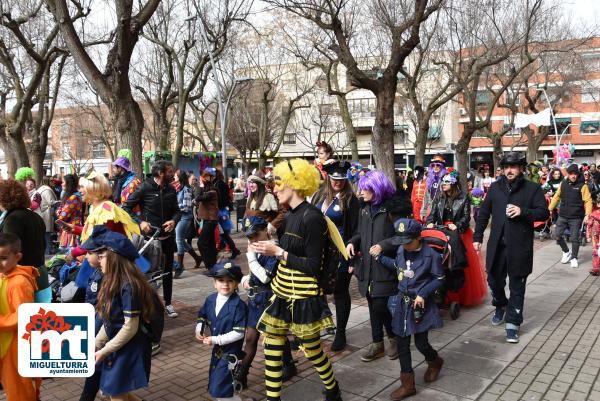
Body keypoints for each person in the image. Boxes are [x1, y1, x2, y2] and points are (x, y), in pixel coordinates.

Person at [251, 158, 342, 401]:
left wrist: (279, 252)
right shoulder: (288, 215)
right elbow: (287, 249)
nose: (275, 188)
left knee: (312, 350)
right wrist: (270, 245)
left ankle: (332, 389)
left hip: (304, 294)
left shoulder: (312, 218)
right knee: (271, 344)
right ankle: (273, 398)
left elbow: (313, 266)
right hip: (282, 290)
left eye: (279, 183)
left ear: (295, 184)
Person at [473, 151, 549, 343]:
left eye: (513, 166)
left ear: (521, 168)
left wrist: (523, 212)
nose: (509, 170)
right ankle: (500, 305)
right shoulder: (496, 188)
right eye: (506, 167)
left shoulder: (532, 189)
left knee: (517, 287)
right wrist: (478, 236)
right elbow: (483, 213)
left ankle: (513, 324)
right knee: (494, 281)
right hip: (496, 245)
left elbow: (543, 213)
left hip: (519, 247)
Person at [82, 226, 154, 401]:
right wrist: (96, 343)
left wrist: (104, 350)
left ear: (115, 258)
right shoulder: (111, 281)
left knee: (115, 392)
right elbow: (110, 321)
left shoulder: (129, 286)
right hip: (118, 344)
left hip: (129, 346)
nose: (99, 261)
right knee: (116, 391)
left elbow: (130, 327)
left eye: (102, 256)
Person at [376, 219, 445, 400]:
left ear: (418, 238)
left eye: (408, 241)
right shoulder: (401, 250)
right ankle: (408, 385)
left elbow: (439, 279)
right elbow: (397, 267)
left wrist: (423, 293)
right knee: (402, 344)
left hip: (420, 305)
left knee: (421, 343)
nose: (404, 246)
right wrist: (379, 257)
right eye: (401, 242)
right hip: (402, 303)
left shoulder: (431, 255)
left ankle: (435, 361)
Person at [237, 216, 296, 388]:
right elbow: (254, 275)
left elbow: (265, 277)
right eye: (249, 237)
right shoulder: (256, 248)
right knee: (250, 338)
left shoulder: (275, 248)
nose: (253, 240)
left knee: (276, 335)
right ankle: (242, 374)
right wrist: (245, 281)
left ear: (265, 230)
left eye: (256, 234)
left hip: (271, 299)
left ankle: (288, 364)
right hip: (255, 299)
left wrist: (251, 257)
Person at [347, 170, 398, 362]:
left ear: (376, 189)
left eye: (365, 189)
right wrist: (353, 241)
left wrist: (383, 246)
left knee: (379, 306)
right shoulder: (364, 209)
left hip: (384, 268)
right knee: (372, 303)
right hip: (367, 268)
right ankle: (378, 343)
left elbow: (403, 237)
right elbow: (360, 232)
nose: (361, 192)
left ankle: (393, 338)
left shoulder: (392, 209)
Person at [311, 161, 360, 351]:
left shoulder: (350, 199)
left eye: (341, 179)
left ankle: (341, 332)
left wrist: (352, 243)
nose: (337, 182)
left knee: (340, 292)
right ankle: (319, 327)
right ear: (328, 178)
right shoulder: (319, 196)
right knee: (317, 291)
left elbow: (357, 229)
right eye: (334, 179)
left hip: (340, 253)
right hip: (319, 252)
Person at [123, 160, 181, 319]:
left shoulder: (171, 189)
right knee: (146, 273)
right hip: (149, 241)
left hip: (167, 239)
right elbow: (125, 208)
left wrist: (174, 221)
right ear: (160, 173)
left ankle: (168, 304)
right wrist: (140, 222)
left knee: (168, 272)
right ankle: (146, 305)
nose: (173, 173)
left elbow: (178, 211)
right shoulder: (144, 187)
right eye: (170, 171)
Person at [426, 170, 487, 306]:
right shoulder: (439, 198)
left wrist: (457, 225)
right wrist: (430, 221)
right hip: (441, 232)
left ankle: (459, 295)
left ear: (453, 184)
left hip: (458, 232)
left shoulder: (463, 197)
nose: (443, 184)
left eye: (446, 182)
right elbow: (433, 214)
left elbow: (466, 217)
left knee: (458, 261)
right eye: (443, 182)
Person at [195, 261, 250, 401]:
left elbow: (239, 333)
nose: (225, 284)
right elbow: (202, 316)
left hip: (230, 354)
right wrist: (199, 328)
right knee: (220, 385)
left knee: (221, 386)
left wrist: (215, 339)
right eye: (220, 280)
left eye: (230, 281)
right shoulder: (210, 299)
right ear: (214, 282)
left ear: (236, 283)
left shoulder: (238, 305)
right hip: (218, 352)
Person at [0, 233, 40, 401]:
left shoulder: (19, 283)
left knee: (19, 391)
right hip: (7, 342)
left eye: (2, 258)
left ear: (17, 257)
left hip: (16, 345)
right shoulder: (5, 275)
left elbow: (25, 316)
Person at [0, 179, 49, 303]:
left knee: (24, 318)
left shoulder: (13, 219)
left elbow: (8, 250)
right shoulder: (35, 216)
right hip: (40, 273)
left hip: (23, 278)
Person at [548, 163, 593, 269]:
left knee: (574, 238)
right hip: (562, 215)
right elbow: (556, 197)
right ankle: (566, 252)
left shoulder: (583, 186)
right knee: (557, 236)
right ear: (568, 174)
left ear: (577, 174)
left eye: (575, 174)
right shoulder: (563, 184)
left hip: (576, 217)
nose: (573, 176)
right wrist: (549, 209)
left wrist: (587, 214)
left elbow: (588, 200)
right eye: (571, 174)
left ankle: (574, 258)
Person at [173, 169, 203, 278]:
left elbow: (186, 206)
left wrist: (175, 208)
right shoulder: (179, 188)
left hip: (184, 217)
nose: (174, 178)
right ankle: (197, 258)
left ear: (180, 177)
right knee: (181, 240)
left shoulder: (186, 189)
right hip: (180, 217)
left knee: (178, 240)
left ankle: (180, 266)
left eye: (175, 176)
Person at [194, 168, 220, 271]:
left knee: (201, 243)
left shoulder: (212, 192)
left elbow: (198, 197)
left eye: (204, 178)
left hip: (210, 220)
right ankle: (212, 265)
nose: (202, 180)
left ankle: (209, 265)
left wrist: (199, 186)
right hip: (208, 220)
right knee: (209, 243)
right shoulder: (208, 192)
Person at [214, 169, 240, 259]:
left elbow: (220, 199)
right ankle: (232, 249)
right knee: (223, 232)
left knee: (222, 232)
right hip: (223, 210)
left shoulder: (218, 185)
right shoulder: (221, 184)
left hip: (220, 211)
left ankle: (232, 249)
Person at [56, 173, 83, 249]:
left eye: (63, 182)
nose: (61, 184)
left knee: (70, 256)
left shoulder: (73, 197)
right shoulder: (76, 196)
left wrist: (58, 210)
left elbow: (61, 216)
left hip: (71, 230)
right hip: (73, 228)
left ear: (68, 184)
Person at [35, 177, 59, 255]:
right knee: (47, 234)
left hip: (41, 213)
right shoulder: (47, 190)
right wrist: (59, 202)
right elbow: (51, 202)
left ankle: (47, 250)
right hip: (46, 213)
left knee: (45, 234)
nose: (53, 182)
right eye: (51, 181)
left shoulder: (40, 189)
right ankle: (48, 250)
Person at [420, 155, 447, 221]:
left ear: (442, 166)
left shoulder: (446, 178)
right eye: (433, 165)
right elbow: (426, 197)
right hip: (431, 210)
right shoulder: (429, 179)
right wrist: (423, 211)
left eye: (437, 165)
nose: (435, 167)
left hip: (443, 211)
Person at [587, 195, 600, 276]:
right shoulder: (593, 214)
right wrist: (588, 235)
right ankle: (595, 268)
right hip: (595, 235)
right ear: (598, 204)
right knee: (595, 251)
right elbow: (589, 225)